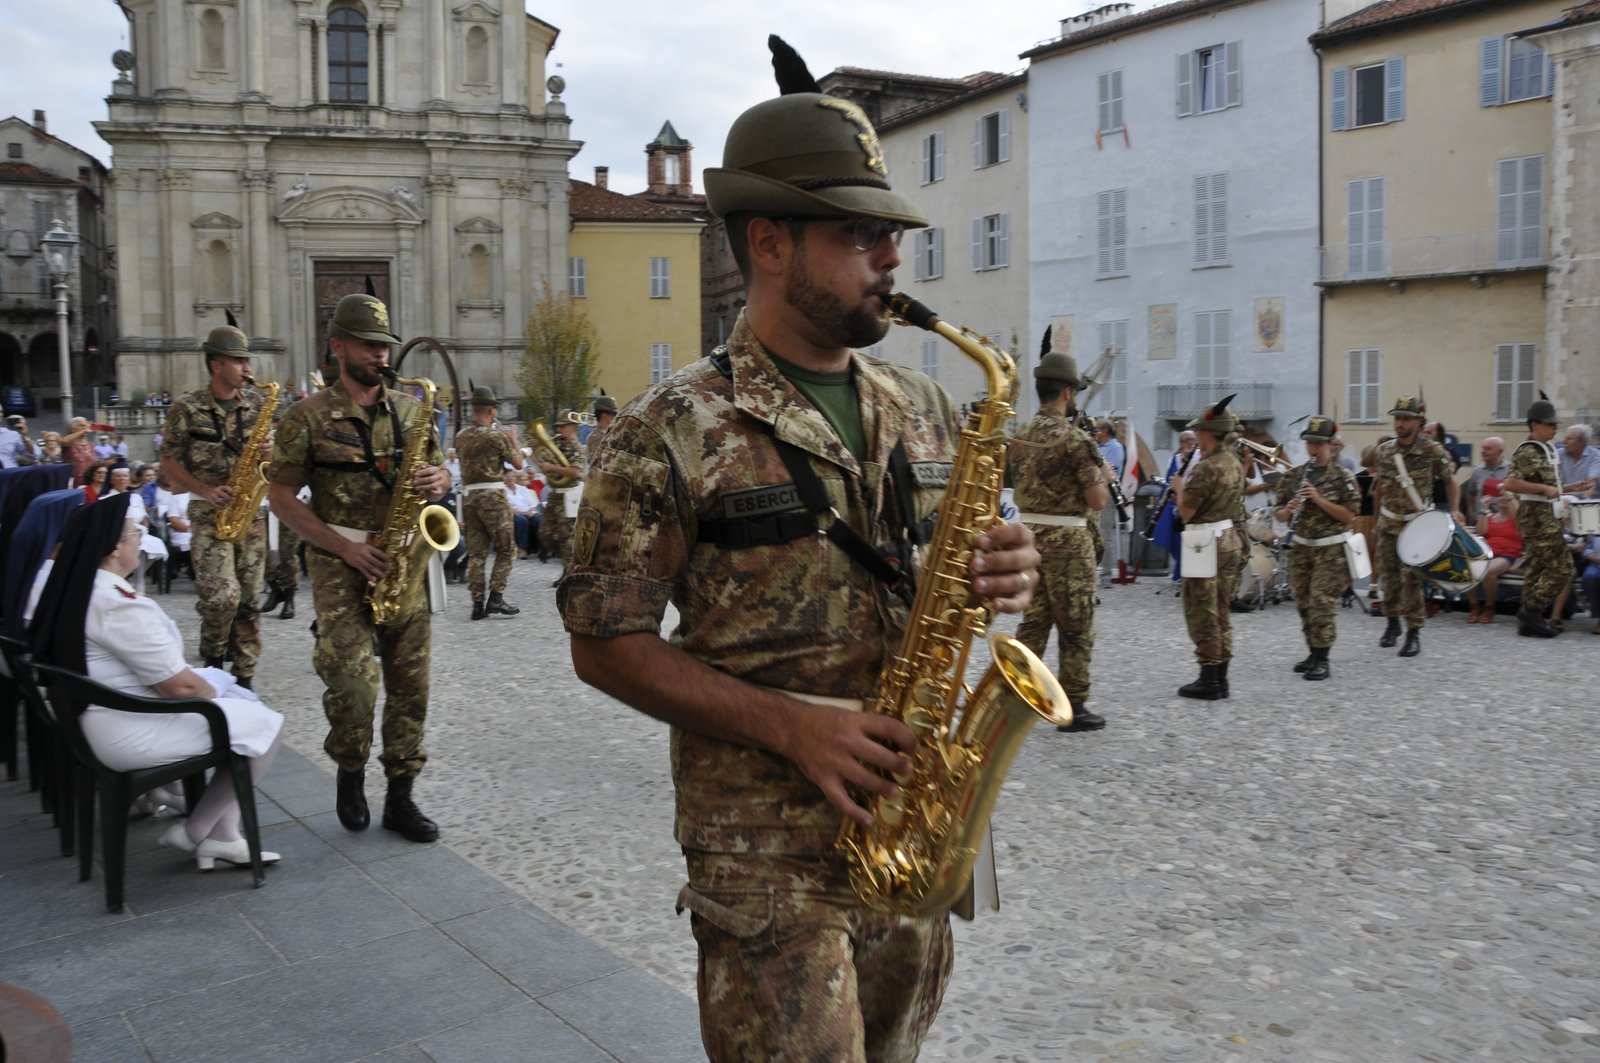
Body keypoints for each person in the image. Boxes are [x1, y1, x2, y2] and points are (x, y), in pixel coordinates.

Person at [557, 56, 1041, 1060]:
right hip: (765, 858)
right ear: (769, 243)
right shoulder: (664, 427)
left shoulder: (930, 406)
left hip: (910, 830)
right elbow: (602, 644)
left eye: (891, 235)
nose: (890, 260)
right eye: (858, 235)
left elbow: (955, 572)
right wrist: (792, 728)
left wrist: (1006, 571)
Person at [266, 292, 449, 843]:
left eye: (384, 346)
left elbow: (437, 472)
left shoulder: (413, 411)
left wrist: (442, 482)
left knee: (410, 685)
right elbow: (280, 497)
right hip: (338, 560)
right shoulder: (306, 418)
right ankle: (350, 768)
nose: (379, 355)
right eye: (368, 346)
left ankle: (400, 795)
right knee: (354, 682)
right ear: (338, 346)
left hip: (402, 559)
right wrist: (343, 548)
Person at [28, 494, 284, 871]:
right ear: (115, 548)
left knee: (242, 711)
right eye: (136, 531)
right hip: (126, 730)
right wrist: (214, 688)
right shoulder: (116, 602)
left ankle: (223, 836)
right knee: (266, 724)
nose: (140, 537)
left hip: (98, 718)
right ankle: (199, 833)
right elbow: (179, 688)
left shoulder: (79, 586)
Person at [159, 323, 269, 688]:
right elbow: (170, 462)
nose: (247, 368)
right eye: (239, 361)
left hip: (252, 512)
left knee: (250, 598)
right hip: (208, 514)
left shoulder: (257, 404)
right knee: (223, 595)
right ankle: (212, 654)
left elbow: (278, 459)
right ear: (216, 364)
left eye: (247, 360)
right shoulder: (186, 408)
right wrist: (205, 490)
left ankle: (245, 675)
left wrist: (272, 452)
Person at [1011, 348, 1108, 731]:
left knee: (1033, 623)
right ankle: (1074, 705)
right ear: (1067, 392)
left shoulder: (1021, 437)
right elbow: (1097, 498)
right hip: (1068, 542)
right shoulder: (1074, 439)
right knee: (1076, 625)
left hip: (1030, 538)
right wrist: (1105, 474)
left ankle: (1018, 697)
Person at [1371, 396, 1461, 657]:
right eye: (1397, 418)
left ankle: (1413, 632)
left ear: (1418, 422)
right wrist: (1376, 521)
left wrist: (1455, 509)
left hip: (1417, 525)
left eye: (1406, 419)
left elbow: (1451, 481)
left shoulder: (1432, 451)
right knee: (1389, 577)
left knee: (1411, 580)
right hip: (1388, 523)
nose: (1400, 423)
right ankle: (1392, 623)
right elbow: (1378, 489)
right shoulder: (1384, 451)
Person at [1171, 395, 1245, 699]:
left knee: (1203, 610)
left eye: (1200, 432)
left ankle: (1209, 678)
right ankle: (1222, 676)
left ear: (1206, 434)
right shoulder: (1234, 462)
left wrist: (1178, 489)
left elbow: (1186, 512)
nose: (1197, 437)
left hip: (1203, 542)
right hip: (1228, 538)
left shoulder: (1206, 467)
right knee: (1223, 609)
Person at [1274, 416, 1358, 680]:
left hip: (1332, 550)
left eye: (1318, 444)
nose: (1312, 448)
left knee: (1322, 602)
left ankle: (1323, 659)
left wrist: (1319, 500)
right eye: (1309, 443)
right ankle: (1313, 651)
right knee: (1304, 603)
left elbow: (1349, 516)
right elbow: (1277, 514)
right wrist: (1286, 512)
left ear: (1330, 445)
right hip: (1302, 548)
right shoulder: (1293, 476)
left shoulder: (1342, 477)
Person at [1503, 398, 1572, 637]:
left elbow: (1552, 486)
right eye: (1549, 423)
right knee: (1563, 568)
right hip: (1537, 519)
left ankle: (1528, 623)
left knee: (1536, 568)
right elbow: (1510, 483)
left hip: (1547, 517)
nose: (1554, 428)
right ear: (1535, 424)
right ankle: (1531, 610)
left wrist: (1573, 488)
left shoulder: (1548, 451)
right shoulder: (1528, 451)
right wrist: (1543, 490)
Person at [455, 385, 524, 620]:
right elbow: (518, 464)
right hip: (493, 497)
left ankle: (476, 605)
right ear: (492, 411)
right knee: (506, 548)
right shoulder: (496, 436)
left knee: (476, 554)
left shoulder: (460, 437)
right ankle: (495, 597)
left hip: (470, 498)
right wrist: (513, 440)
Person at [261, 401, 304, 621]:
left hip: (290, 504)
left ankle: (289, 597)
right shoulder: (261, 441)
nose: (274, 426)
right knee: (264, 553)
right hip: (263, 503)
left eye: (276, 422)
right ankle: (274, 588)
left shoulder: (293, 440)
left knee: (288, 553)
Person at [536, 411, 585, 584]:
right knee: (545, 533)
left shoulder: (578, 448)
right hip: (554, 495)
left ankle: (569, 572)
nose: (559, 429)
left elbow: (575, 472)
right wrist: (544, 467)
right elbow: (543, 461)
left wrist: (552, 468)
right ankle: (567, 564)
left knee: (566, 537)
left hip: (568, 497)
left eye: (563, 426)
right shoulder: (555, 444)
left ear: (572, 428)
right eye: (559, 426)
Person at [1467, 495, 1522, 623]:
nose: (1503, 504)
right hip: (1487, 553)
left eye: (1506, 501)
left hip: (1507, 554)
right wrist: (1484, 509)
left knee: (1489, 571)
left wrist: (1510, 498)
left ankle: (1489, 607)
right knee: (1467, 568)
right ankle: (1474, 606)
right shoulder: (1491, 516)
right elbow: (1481, 531)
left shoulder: (1516, 519)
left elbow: (1519, 517)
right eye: (1501, 500)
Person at [1094, 418, 1125, 587]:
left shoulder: (1115, 447)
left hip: (1107, 493)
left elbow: (1111, 470)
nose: (1095, 432)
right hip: (1094, 492)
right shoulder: (1097, 446)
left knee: (1105, 534)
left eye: (1097, 429)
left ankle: (1106, 576)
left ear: (1105, 431)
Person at [1463, 436, 1508, 520]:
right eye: (1483, 448)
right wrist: (1471, 510)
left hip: (1505, 521)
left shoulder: (1511, 470)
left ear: (1500, 451)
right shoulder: (1477, 471)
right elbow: (1471, 493)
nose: (1483, 451)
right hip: (1482, 521)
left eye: (1488, 449)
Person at [504, 470, 541, 559]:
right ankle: (523, 549)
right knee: (522, 520)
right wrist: (522, 513)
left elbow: (532, 504)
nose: (510, 478)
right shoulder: (503, 490)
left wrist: (531, 511)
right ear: (504, 479)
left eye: (512, 476)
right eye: (507, 477)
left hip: (528, 512)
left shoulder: (523, 489)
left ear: (516, 479)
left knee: (538, 519)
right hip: (514, 514)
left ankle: (541, 547)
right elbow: (507, 506)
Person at [1558, 423, 1600, 499]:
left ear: (1582, 442)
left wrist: (1581, 504)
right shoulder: (1558, 455)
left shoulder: (1595, 455)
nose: (1563, 442)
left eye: (1569, 439)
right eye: (1565, 438)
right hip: (1564, 501)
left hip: (1590, 504)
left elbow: (1591, 483)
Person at [1576, 532, 1600, 635]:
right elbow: (1587, 546)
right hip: (1596, 562)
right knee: (1589, 577)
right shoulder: (1593, 526)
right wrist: (1591, 554)